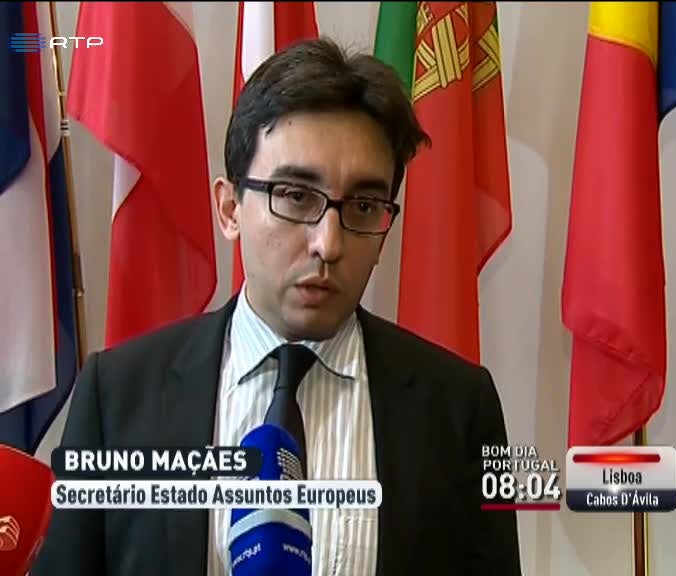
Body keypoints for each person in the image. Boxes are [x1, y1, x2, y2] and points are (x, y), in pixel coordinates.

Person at [32, 38, 521, 576]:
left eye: (363, 206)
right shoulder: (117, 397)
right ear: (230, 208)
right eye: (295, 196)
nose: (328, 243)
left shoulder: (458, 407)